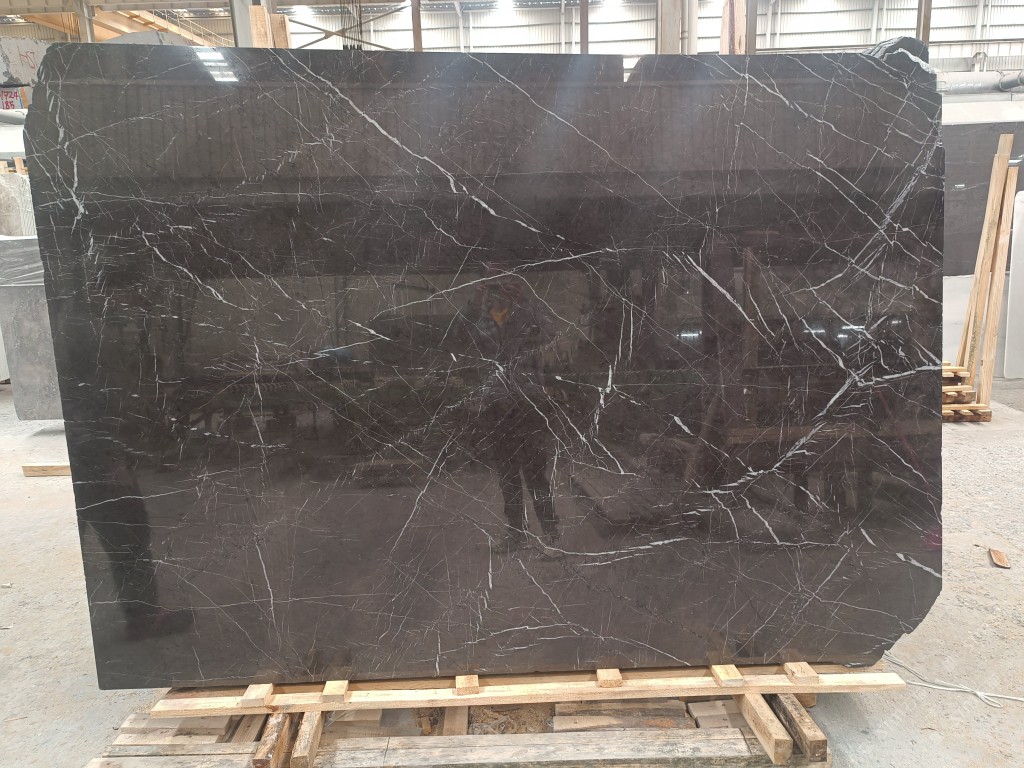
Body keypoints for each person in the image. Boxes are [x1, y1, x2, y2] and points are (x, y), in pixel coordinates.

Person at [460, 272, 559, 555]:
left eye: (504, 286)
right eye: (493, 286)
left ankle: (551, 536)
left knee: (535, 474)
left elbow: (550, 331)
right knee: (507, 476)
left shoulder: (526, 315)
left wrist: (526, 300)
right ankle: (517, 534)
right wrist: (474, 303)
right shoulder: (484, 319)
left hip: (528, 405)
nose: (499, 292)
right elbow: (461, 337)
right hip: (496, 406)